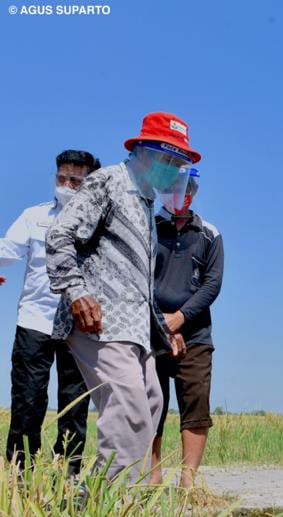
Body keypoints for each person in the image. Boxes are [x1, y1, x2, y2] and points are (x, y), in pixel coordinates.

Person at [46, 112, 198, 485]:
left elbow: (136, 282)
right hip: (99, 322)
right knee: (128, 411)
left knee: (151, 403)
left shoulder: (145, 203)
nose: (175, 170)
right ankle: (106, 516)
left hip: (134, 329)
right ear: (144, 151)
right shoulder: (109, 182)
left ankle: (93, 505)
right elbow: (59, 237)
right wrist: (77, 292)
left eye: (180, 163)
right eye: (171, 160)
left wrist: (162, 331)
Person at [0, 150, 99, 473]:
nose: (66, 185)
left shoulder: (98, 224)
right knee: (27, 399)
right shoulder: (34, 216)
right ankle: (19, 472)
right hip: (35, 320)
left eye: (75, 180)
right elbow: (7, 250)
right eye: (61, 178)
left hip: (79, 325)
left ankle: (67, 473)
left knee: (74, 403)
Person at [148, 169, 224, 488]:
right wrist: (161, 321)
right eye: (172, 186)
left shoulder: (209, 233)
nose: (179, 192)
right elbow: (137, 276)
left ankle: (188, 480)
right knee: (151, 405)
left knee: (195, 403)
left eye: (185, 186)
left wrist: (180, 318)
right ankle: (151, 477)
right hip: (150, 332)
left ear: (194, 189)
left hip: (195, 334)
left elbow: (212, 284)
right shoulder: (147, 228)